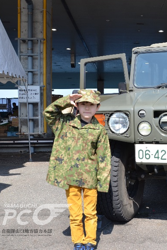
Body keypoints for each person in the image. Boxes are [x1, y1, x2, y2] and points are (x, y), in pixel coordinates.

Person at [43, 89, 111, 250]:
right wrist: (67, 99)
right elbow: (48, 113)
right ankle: (78, 241)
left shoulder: (99, 130)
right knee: (75, 214)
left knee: (90, 213)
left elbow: (104, 157)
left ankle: (90, 241)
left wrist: (103, 181)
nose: (87, 108)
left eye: (91, 105)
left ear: (97, 107)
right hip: (71, 179)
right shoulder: (65, 124)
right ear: (77, 106)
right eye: (83, 105)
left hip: (90, 179)